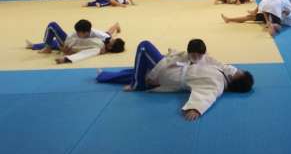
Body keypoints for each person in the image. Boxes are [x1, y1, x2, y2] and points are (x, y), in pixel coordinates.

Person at [96, 39, 254, 120]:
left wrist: (196, 109)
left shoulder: (217, 83)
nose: (236, 69)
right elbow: (214, 61)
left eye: (239, 72)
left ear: (236, 79)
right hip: (174, 68)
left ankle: (137, 85)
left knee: (144, 46)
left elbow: (208, 95)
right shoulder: (223, 71)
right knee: (137, 71)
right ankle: (103, 76)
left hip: (168, 76)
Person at [25, 20, 125, 64]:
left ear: (110, 47)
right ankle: (34, 46)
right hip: (71, 41)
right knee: (55, 42)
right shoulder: (105, 38)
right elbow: (109, 31)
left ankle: (47, 47)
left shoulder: (98, 48)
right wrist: (116, 26)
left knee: (52, 26)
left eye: (112, 41)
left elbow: (84, 54)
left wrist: (67, 58)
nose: (111, 39)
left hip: (69, 44)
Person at [221, 0, 291, 36]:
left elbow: (289, 13)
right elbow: (290, 9)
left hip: (274, 11)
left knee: (277, 26)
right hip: (273, 11)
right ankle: (229, 19)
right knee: (251, 17)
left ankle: (272, 25)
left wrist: (270, 20)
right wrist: (268, 20)